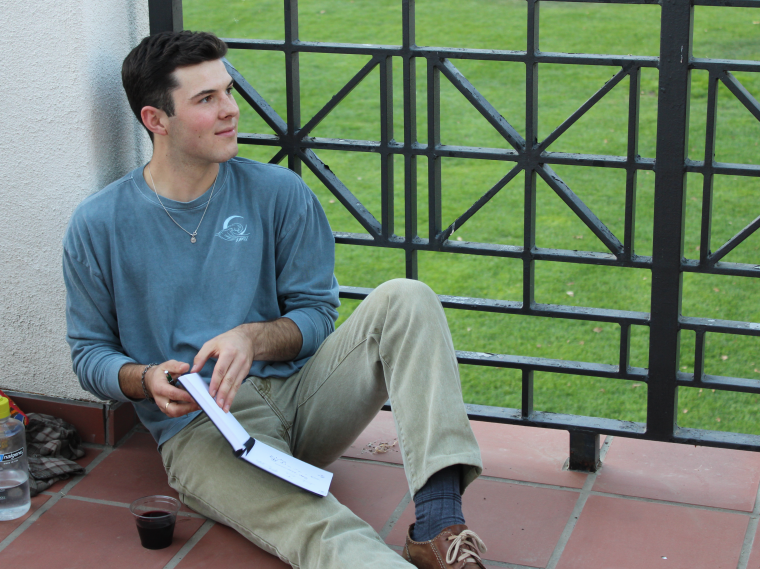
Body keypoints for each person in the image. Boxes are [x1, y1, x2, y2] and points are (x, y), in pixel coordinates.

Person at [63, 30, 487, 569]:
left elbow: (315, 315)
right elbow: (89, 353)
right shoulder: (98, 225)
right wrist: (144, 378)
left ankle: (439, 523)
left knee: (407, 297)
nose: (231, 111)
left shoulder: (278, 193)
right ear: (155, 119)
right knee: (312, 525)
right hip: (201, 430)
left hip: (304, 399)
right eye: (206, 99)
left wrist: (252, 337)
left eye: (228, 91)